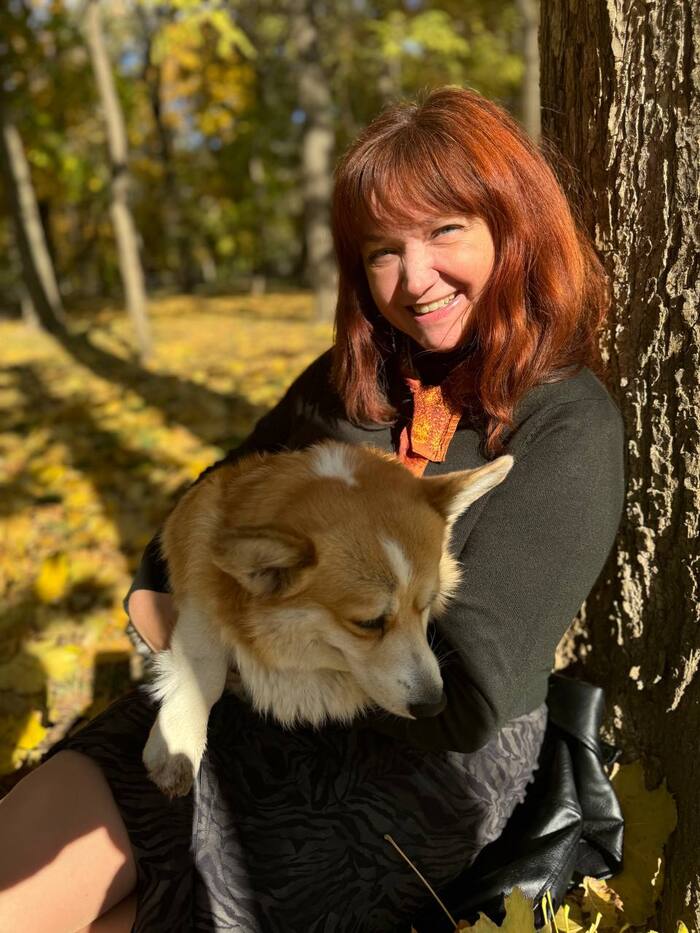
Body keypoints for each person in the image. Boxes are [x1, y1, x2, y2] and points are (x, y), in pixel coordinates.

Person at [0, 86, 625, 933]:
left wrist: (250, 639)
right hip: (224, 705)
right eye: (383, 251)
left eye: (445, 230)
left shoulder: (567, 423)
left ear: (512, 228)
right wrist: (190, 622)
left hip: (413, 774)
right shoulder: (344, 386)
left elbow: (467, 698)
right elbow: (193, 529)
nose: (414, 279)